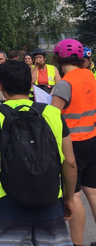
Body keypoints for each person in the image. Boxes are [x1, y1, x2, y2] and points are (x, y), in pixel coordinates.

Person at [0, 60, 76, 246]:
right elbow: (70, 162)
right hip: (49, 199)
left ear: (0, 86)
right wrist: (69, 199)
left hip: (6, 201)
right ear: (31, 85)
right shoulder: (52, 113)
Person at [50, 39, 96, 246]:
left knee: (74, 196)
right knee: (93, 191)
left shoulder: (64, 84)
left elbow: (52, 117)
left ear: (57, 58)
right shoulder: (90, 75)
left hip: (72, 145)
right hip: (92, 138)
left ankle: (77, 244)